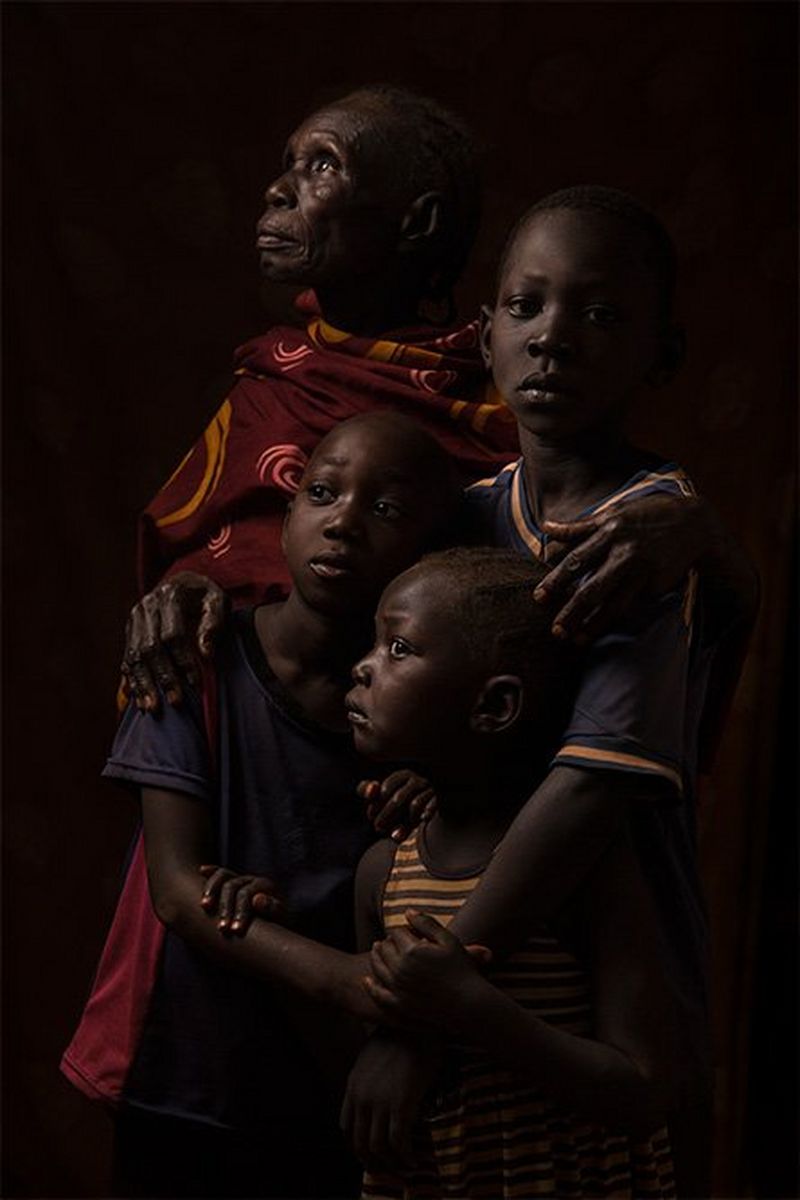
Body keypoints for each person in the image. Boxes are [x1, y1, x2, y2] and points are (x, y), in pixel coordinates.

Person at [342, 187, 758, 1200]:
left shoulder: (640, 535)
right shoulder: (469, 516)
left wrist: (428, 1013)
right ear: (482, 333)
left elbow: (586, 788)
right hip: (473, 955)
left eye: (601, 314)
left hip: (610, 974)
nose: (553, 339)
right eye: (524, 306)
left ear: (660, 354)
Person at [122, 87, 724, 714]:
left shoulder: (517, 404)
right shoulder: (270, 388)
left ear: (419, 221)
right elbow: (206, 567)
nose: (278, 189)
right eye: (290, 163)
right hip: (243, 741)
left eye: (324, 165)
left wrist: (708, 539)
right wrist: (184, 592)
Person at [61, 413, 463, 1199]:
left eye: (384, 510)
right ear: (285, 516)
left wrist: (436, 797)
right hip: (180, 1067)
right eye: (322, 492)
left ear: (429, 554)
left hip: (324, 1081)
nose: (343, 521)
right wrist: (350, 980)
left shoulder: (414, 712)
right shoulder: (191, 663)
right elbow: (180, 892)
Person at [344, 546, 678, 1198]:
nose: (362, 666)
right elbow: (379, 1074)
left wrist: (474, 1009)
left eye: (399, 649)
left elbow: (642, 1092)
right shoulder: (382, 872)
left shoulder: (588, 863)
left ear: (493, 707)